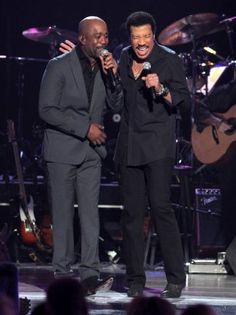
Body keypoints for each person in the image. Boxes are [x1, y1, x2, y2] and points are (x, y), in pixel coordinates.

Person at [39, 16, 123, 295]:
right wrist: (85, 128)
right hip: (62, 149)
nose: (103, 41)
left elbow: (116, 106)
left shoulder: (106, 68)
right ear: (82, 39)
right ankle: (62, 274)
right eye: (97, 36)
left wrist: (114, 75)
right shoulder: (58, 66)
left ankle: (90, 274)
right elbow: (47, 109)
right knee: (63, 215)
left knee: (90, 215)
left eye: (106, 36)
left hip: (91, 153)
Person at [114, 11, 190, 298]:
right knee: (132, 215)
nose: (141, 42)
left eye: (146, 36)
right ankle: (134, 279)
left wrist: (160, 88)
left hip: (158, 144)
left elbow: (183, 103)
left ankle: (175, 279)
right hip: (129, 146)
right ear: (130, 38)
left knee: (161, 208)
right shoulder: (123, 57)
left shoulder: (169, 58)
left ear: (153, 35)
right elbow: (118, 97)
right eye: (136, 37)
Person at [194, 79, 236, 248]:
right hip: (229, 160)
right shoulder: (228, 91)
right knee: (231, 202)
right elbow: (198, 108)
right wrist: (219, 123)